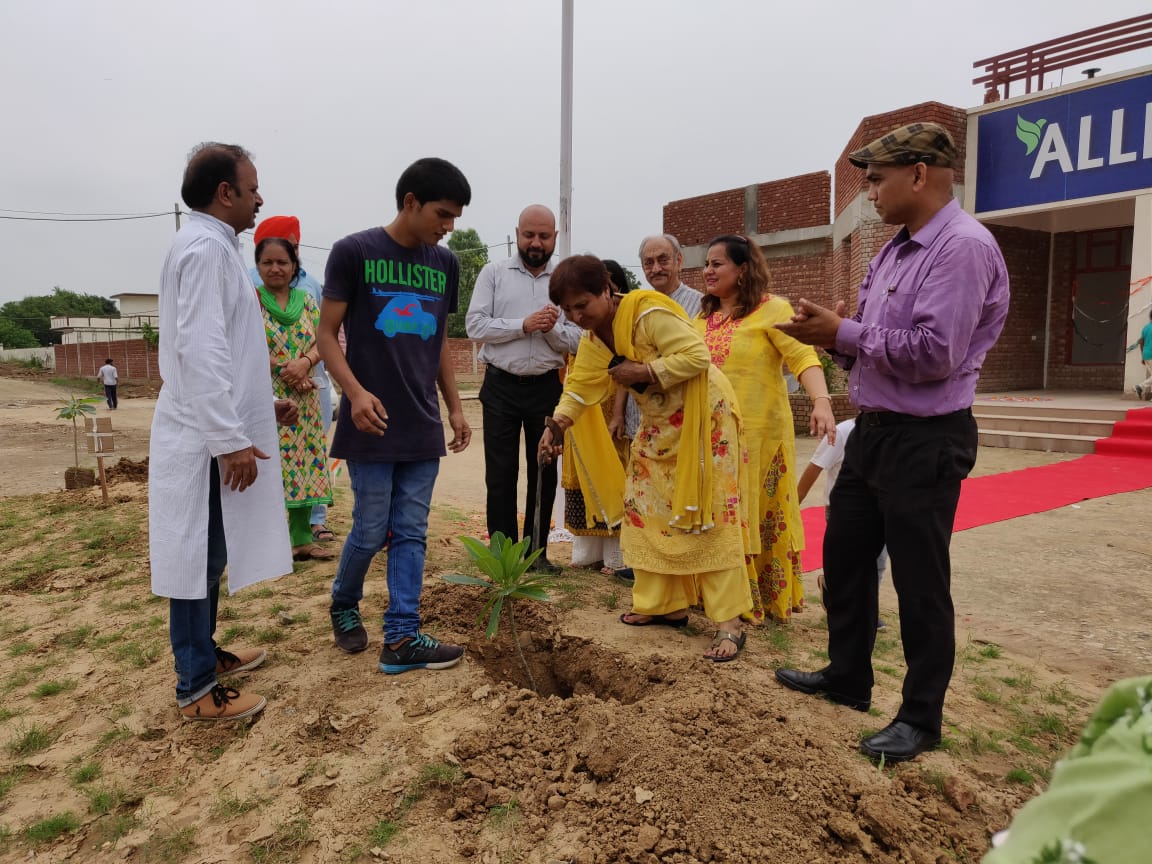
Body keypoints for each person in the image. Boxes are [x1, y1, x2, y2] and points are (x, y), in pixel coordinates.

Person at [773, 122, 1010, 762]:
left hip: (926, 439)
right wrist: (834, 337)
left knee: (919, 583)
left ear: (920, 174)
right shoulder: (894, 250)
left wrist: (845, 334)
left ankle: (920, 718)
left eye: (877, 178)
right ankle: (847, 677)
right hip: (874, 434)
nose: (871, 190)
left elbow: (936, 354)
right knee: (847, 562)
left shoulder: (961, 248)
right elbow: (874, 348)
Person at [538, 255, 754, 661]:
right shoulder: (592, 339)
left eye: (582, 304)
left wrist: (642, 372)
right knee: (643, 509)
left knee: (707, 514)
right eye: (568, 309)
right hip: (659, 424)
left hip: (705, 421)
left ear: (607, 289)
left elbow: (697, 357)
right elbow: (581, 386)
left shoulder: (647, 314)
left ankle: (729, 622)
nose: (576, 315)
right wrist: (557, 426)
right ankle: (663, 605)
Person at [150, 142, 295, 721]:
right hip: (199, 436)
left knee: (207, 554)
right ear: (225, 192)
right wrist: (229, 438)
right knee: (194, 556)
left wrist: (258, 408)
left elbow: (228, 349)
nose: (261, 197)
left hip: (207, 426)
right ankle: (195, 689)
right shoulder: (204, 250)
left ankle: (205, 655)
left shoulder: (212, 246)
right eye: (253, 186)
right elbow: (200, 349)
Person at [318, 156, 472, 674]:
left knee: (411, 530)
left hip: (421, 421)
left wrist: (454, 408)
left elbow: (440, 344)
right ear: (410, 202)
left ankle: (402, 636)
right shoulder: (354, 252)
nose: (448, 228)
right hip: (370, 419)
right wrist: (355, 394)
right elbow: (325, 335)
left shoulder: (444, 264)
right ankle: (344, 602)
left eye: (454, 218)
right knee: (369, 529)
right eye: (443, 214)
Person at [696, 234, 835, 624]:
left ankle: (757, 599)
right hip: (713, 439)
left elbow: (802, 355)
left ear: (742, 269)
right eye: (706, 263)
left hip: (760, 438)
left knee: (757, 512)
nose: (708, 270)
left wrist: (822, 400)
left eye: (717, 263)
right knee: (718, 515)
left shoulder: (771, 309)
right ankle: (720, 597)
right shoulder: (702, 320)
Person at [466, 205, 581, 573]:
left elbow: (580, 338)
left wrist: (551, 330)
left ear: (555, 238)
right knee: (500, 475)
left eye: (543, 236)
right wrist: (524, 325)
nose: (535, 243)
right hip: (500, 386)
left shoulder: (566, 279)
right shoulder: (494, 273)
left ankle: (536, 556)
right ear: (517, 233)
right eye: (529, 235)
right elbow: (475, 326)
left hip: (547, 389)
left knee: (544, 471)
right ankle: (503, 557)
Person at [250, 215, 338, 543]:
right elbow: (246, 344)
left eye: (282, 262)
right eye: (267, 262)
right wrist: (283, 369)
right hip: (267, 396)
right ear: (257, 266)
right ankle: (268, 538)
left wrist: (305, 363)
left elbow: (325, 337)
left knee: (305, 462)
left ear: (293, 264)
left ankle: (302, 538)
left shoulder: (310, 300)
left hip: (307, 391)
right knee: (271, 463)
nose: (276, 268)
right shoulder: (251, 302)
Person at [562, 260, 632, 573]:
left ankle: (617, 556)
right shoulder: (583, 329)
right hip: (579, 413)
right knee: (582, 477)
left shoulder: (624, 328)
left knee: (613, 475)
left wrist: (618, 413)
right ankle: (587, 552)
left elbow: (624, 376)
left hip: (608, 415)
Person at [796, 417, 888, 629]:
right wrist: (795, 503)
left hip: (881, 509)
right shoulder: (842, 432)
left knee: (878, 564)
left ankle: (866, 610)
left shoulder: (893, 432)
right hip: (842, 510)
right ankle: (837, 597)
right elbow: (815, 467)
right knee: (846, 565)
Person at [637, 234, 702, 318]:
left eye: (663, 260)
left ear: (678, 261)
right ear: (643, 267)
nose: (656, 269)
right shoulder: (640, 308)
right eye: (649, 263)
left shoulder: (700, 305)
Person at [1136, 309, 1152, 400]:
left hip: (1146, 354)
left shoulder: (1145, 328)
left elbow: (1141, 342)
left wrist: (1143, 356)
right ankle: (1140, 386)